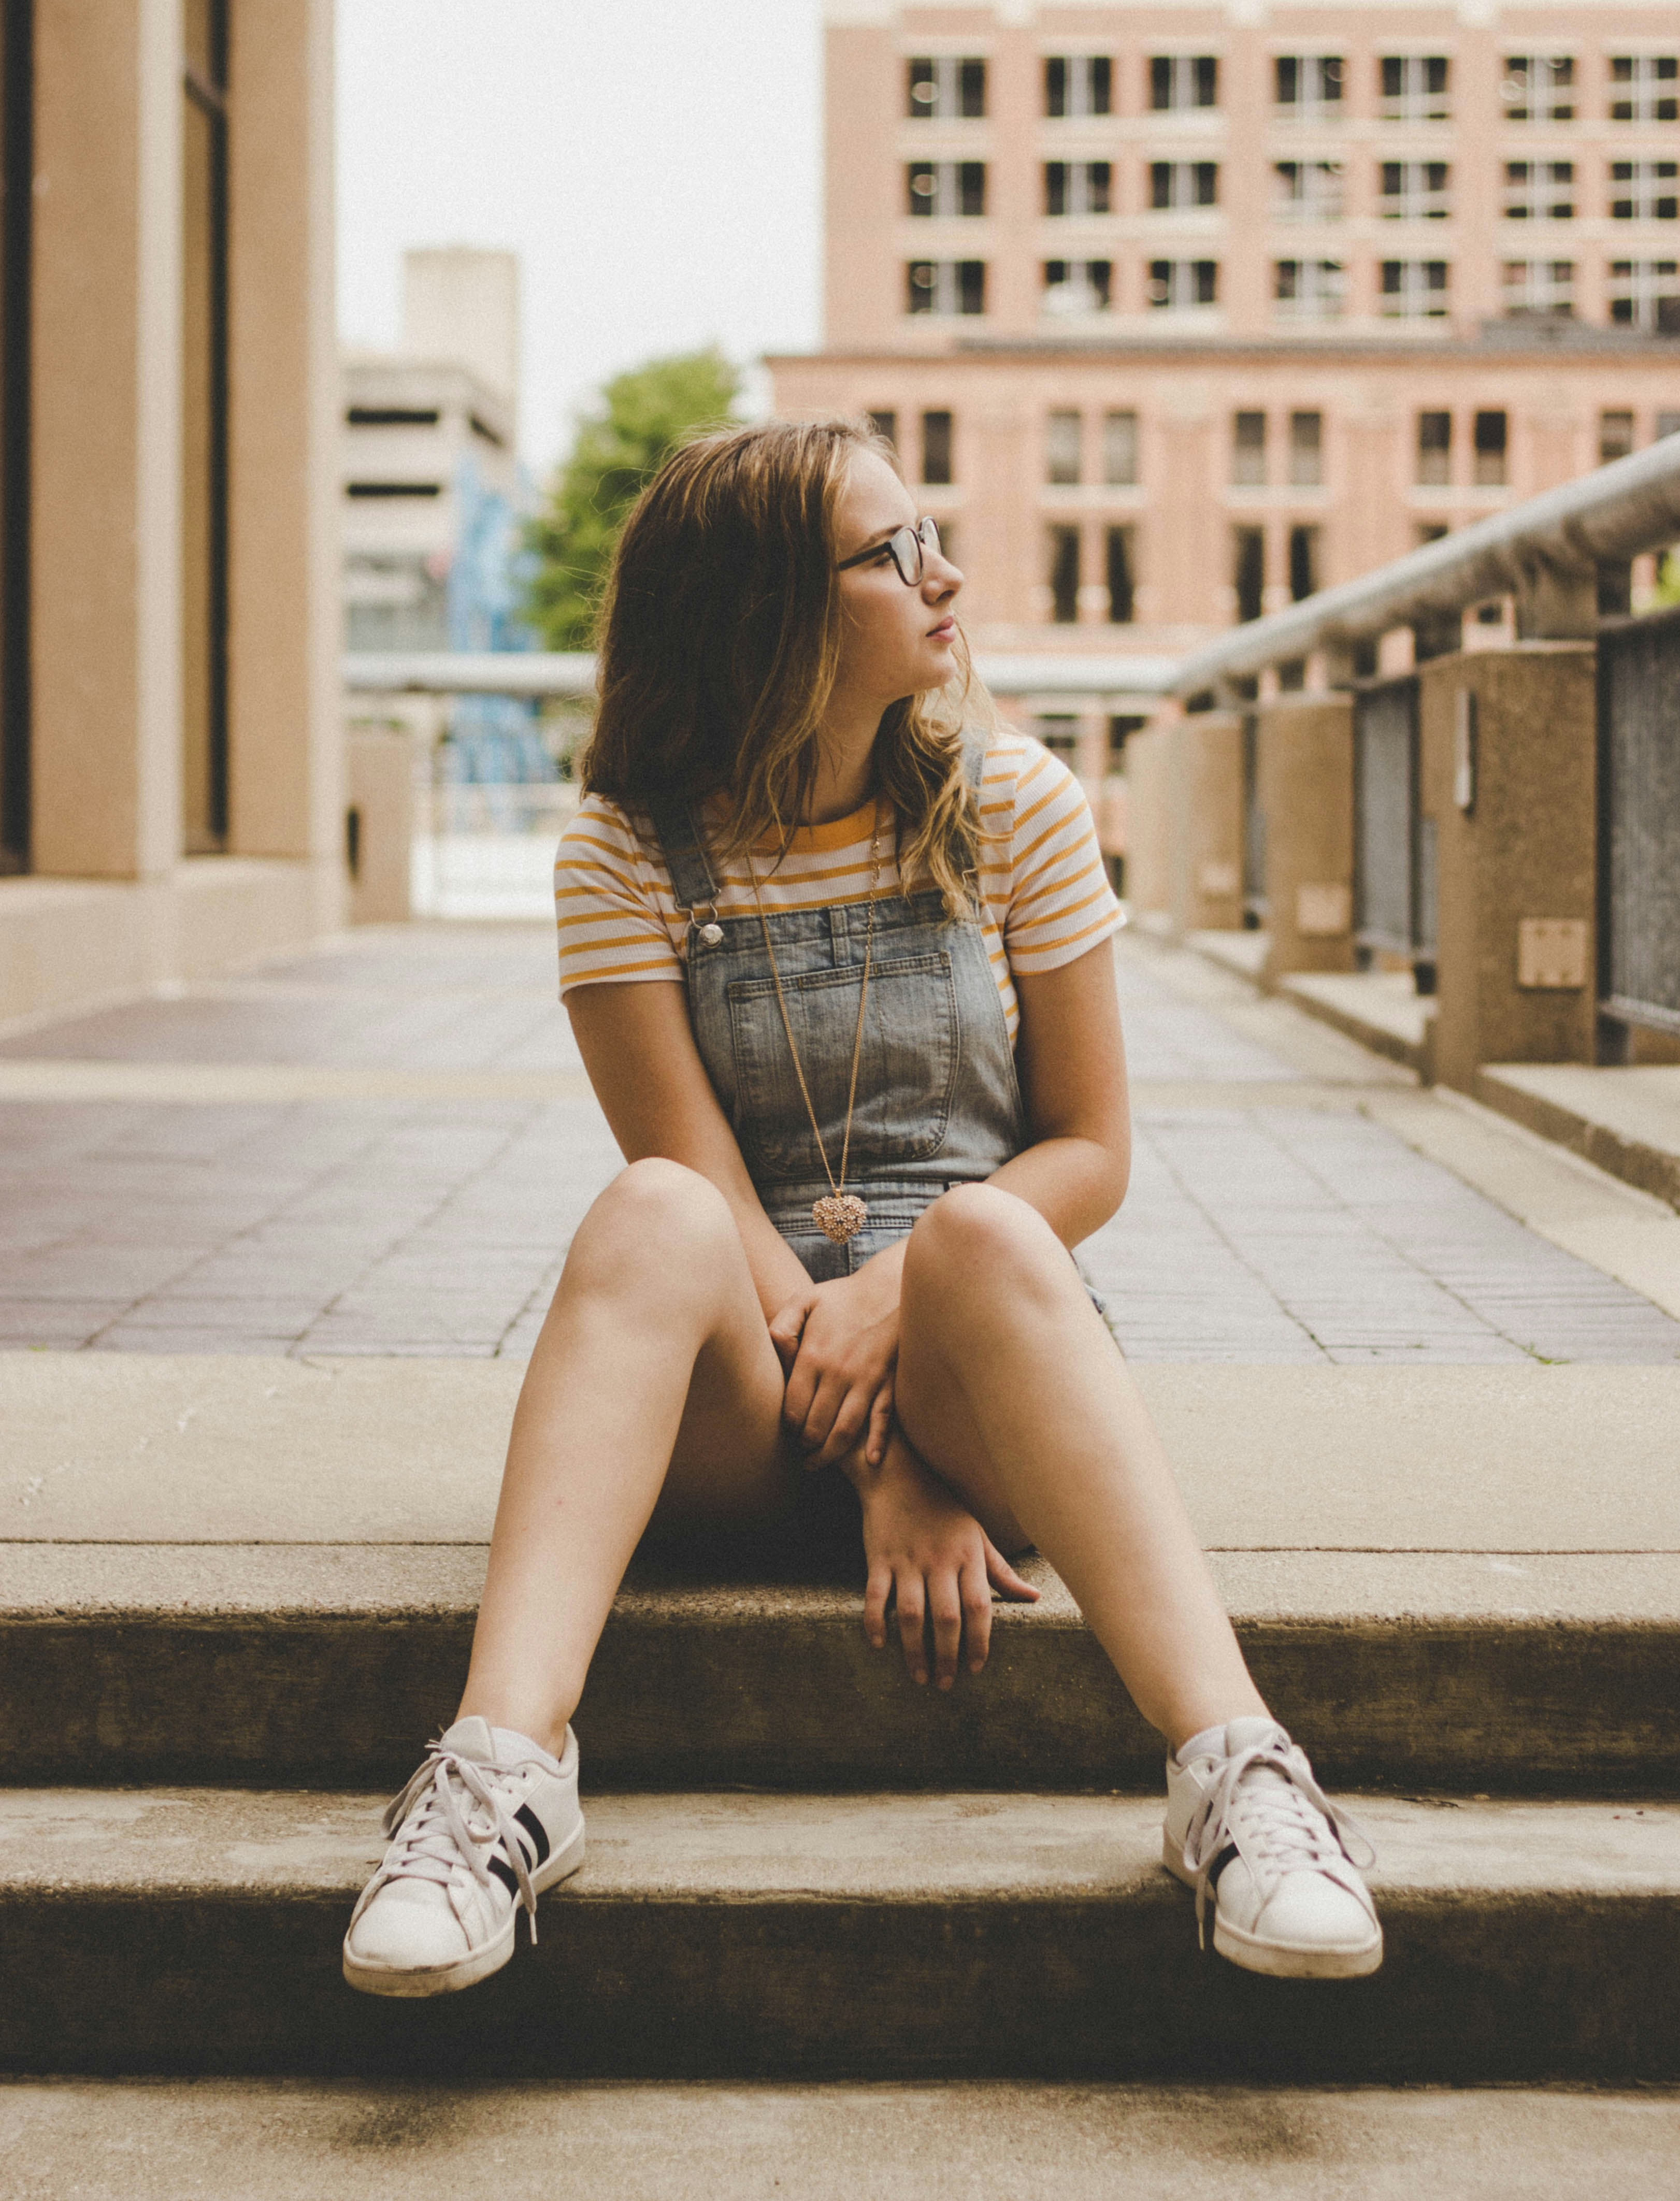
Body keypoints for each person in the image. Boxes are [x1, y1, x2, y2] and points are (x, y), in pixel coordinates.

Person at [342, 415, 1380, 1999]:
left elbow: (1090, 1150)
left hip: (982, 1379)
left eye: (927, 534)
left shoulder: (1013, 804)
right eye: (890, 552)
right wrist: (883, 1473)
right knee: (646, 1211)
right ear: (769, 606)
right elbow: (705, 1188)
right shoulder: (626, 851)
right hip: (753, 1396)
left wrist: (902, 1329)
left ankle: (1241, 1780)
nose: (942, 572)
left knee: (985, 1226)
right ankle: (494, 1784)